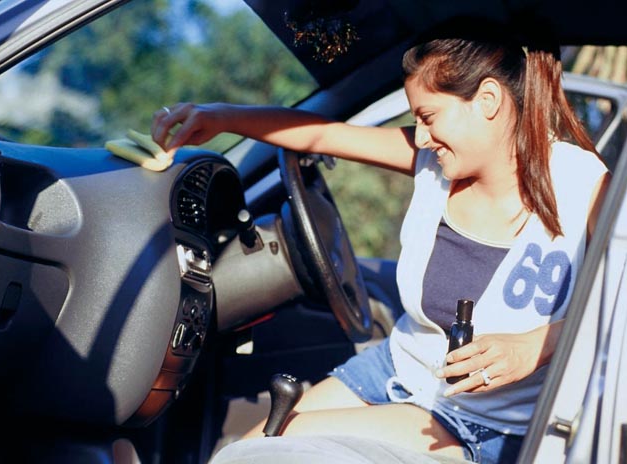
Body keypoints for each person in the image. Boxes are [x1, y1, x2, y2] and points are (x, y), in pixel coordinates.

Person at [151, 21, 610, 464]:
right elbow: (321, 133)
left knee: (262, 453)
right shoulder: (432, 162)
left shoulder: (585, 184)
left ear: (487, 99)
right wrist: (220, 117)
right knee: (241, 451)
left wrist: (541, 342)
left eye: (429, 117)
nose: (423, 137)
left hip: (481, 423)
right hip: (398, 367)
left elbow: (620, 310)